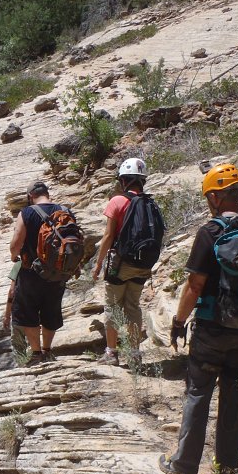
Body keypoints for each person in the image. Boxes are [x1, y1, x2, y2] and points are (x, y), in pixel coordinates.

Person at [159, 163, 238, 474]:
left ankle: (183, 466)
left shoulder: (210, 232)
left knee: (198, 392)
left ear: (215, 197)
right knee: (235, 394)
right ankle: (228, 470)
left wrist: (179, 322)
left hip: (211, 327)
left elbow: (194, 286)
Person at [91, 157, 153, 367]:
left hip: (120, 263)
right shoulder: (149, 202)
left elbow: (108, 237)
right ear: (142, 181)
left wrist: (98, 264)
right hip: (143, 264)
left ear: (123, 180)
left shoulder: (117, 201)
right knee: (133, 306)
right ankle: (135, 354)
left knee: (113, 306)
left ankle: (111, 353)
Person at [8, 181, 68, 365]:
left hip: (31, 272)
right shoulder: (64, 210)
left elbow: (16, 244)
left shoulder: (26, 213)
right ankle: (47, 350)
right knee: (51, 311)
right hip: (58, 272)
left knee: (28, 313)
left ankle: (36, 354)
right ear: (46, 193)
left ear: (30, 196)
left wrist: (13, 257)